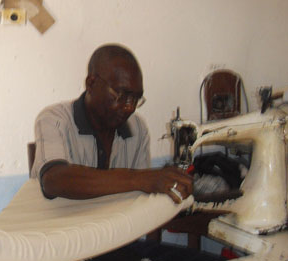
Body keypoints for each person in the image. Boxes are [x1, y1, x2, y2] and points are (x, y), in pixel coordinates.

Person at [31, 44, 192, 203]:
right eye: (121, 95)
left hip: (113, 226)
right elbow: (53, 180)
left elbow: (140, 199)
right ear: (91, 83)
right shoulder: (55, 119)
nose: (129, 107)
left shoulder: (137, 128)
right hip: (63, 227)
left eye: (136, 99)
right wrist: (139, 179)